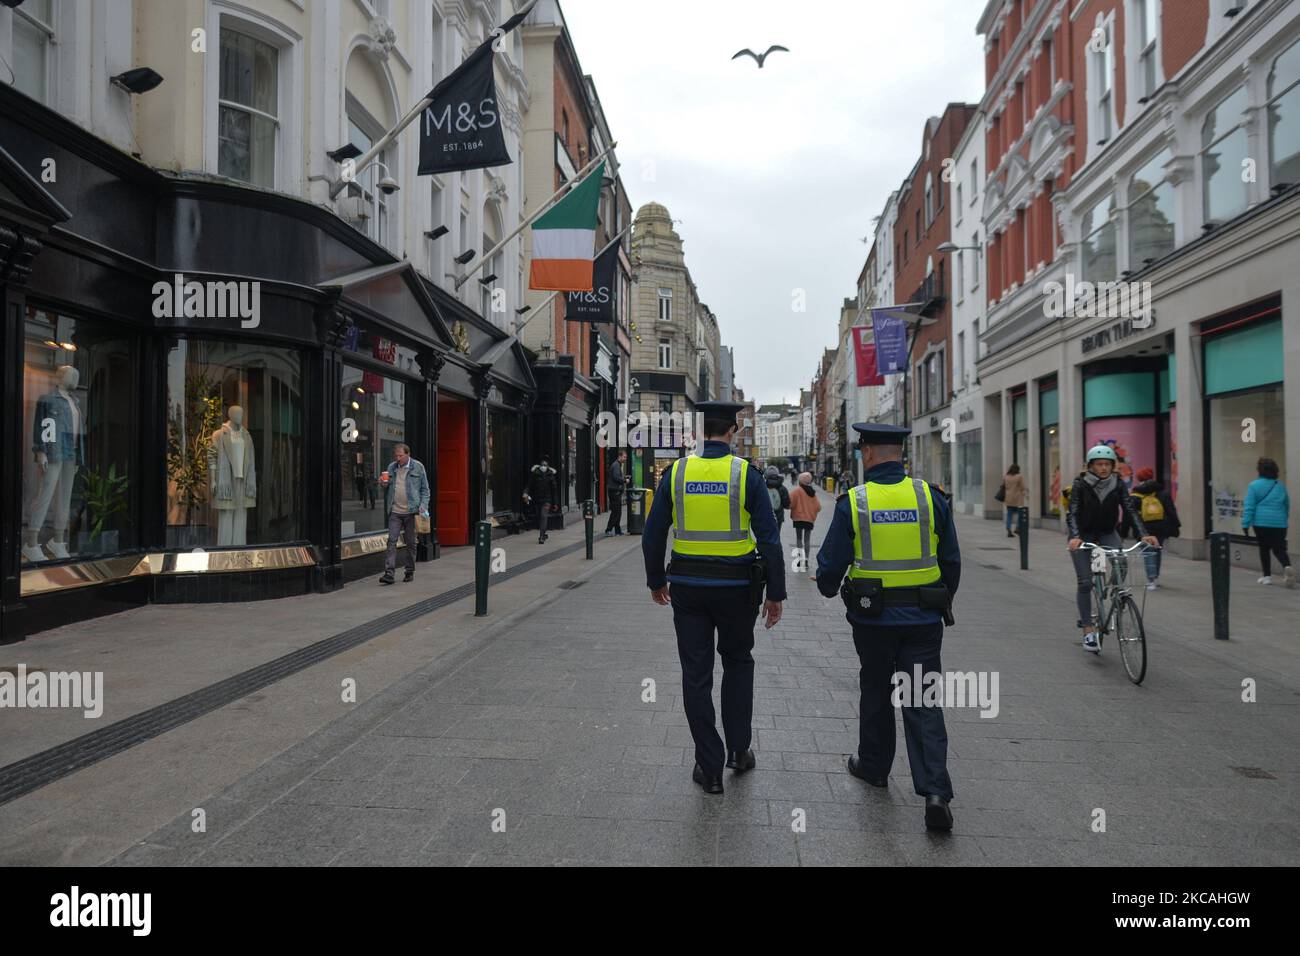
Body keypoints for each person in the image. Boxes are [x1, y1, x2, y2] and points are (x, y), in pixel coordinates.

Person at [816, 423, 961, 832]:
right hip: (923, 619)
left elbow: (830, 565)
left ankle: (875, 766)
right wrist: (940, 598)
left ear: (867, 453)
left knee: (876, 690)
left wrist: (828, 587)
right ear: (901, 453)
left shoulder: (856, 501)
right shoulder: (929, 497)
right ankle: (935, 792)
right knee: (923, 699)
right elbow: (951, 559)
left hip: (873, 618)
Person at [642, 401, 786, 795]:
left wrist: (656, 580)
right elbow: (770, 540)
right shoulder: (746, 475)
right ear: (734, 430)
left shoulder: (677, 473)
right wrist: (775, 593)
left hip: (688, 590)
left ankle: (708, 767)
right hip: (738, 589)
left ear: (698, 430)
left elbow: (653, 534)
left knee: (696, 674)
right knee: (738, 663)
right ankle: (739, 751)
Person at [1067, 445, 1159, 651]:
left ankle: (1112, 590)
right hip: (1084, 535)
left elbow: (1129, 509)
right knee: (1085, 582)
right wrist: (1075, 537)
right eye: (1099, 464)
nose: (1103, 468)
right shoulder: (1080, 484)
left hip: (1107, 532)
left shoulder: (1117, 483)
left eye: (1107, 464)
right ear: (1091, 466)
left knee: (1122, 561)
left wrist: (1143, 533)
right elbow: (1072, 512)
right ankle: (1088, 632)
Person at [378, 443, 430, 585]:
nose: (398, 458)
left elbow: (425, 490)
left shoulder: (418, 467)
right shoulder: (391, 467)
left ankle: (409, 571)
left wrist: (423, 506)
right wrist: (383, 483)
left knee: (411, 543)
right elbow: (387, 487)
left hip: (411, 512)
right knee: (391, 541)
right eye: (396, 455)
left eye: (401, 456)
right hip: (395, 510)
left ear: (408, 454)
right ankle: (389, 573)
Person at [1243, 457, 1293, 588]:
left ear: (1259, 470)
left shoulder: (1253, 486)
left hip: (1261, 523)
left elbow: (1249, 506)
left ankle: (1267, 577)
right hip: (1280, 523)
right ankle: (1287, 566)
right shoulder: (1280, 486)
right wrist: (1283, 518)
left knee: (1264, 548)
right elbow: (1286, 504)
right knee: (1279, 549)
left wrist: (1245, 524)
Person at [1128, 466, 1179, 590]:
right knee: (1157, 550)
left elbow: (1130, 514)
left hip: (1144, 529)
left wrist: (1124, 530)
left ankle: (1151, 580)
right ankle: (1155, 576)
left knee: (1148, 552)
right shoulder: (1162, 492)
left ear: (1139, 478)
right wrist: (1176, 525)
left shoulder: (1136, 494)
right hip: (1161, 527)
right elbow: (1171, 510)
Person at [789, 471, 822, 577]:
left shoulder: (797, 491)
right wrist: (811, 513)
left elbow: (790, 503)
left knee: (799, 539)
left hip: (798, 518)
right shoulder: (813, 493)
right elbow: (818, 507)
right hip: (809, 520)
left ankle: (800, 560)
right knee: (807, 539)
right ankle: (806, 560)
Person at [524, 455, 559, 545]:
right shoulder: (535, 474)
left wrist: (555, 503)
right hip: (537, 499)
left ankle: (541, 537)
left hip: (547, 500)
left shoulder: (551, 475)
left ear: (548, 466)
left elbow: (554, 490)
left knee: (543, 516)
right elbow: (529, 485)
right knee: (539, 517)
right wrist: (526, 493)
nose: (543, 466)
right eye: (542, 464)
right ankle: (544, 532)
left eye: (545, 464)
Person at [605, 450, 628, 537]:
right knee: (616, 512)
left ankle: (617, 531)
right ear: (620, 456)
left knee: (617, 512)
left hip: (615, 491)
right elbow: (615, 477)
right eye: (624, 457)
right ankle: (608, 530)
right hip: (614, 491)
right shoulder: (616, 465)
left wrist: (623, 478)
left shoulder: (618, 465)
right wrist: (625, 480)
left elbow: (617, 476)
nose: (625, 459)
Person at [764, 465, 790, 536]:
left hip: (765, 515)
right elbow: (787, 504)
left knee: (765, 535)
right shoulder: (782, 488)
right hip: (778, 515)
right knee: (776, 535)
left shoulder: (762, 487)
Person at [1001, 464, 1026, 538]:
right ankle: (1017, 528)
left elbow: (1003, 486)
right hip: (1017, 498)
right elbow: (1022, 487)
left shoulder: (1006, 476)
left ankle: (1008, 528)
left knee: (1009, 515)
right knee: (1020, 514)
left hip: (1008, 498)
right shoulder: (1019, 477)